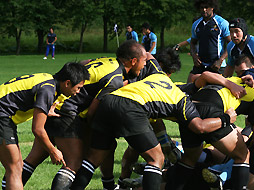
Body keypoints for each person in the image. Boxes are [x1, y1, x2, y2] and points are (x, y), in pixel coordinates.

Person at [9, 40, 162, 190]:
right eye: (143, 62)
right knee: (74, 163)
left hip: (54, 105)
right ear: (133, 61)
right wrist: (90, 130)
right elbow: (92, 111)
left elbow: (83, 62)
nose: (144, 66)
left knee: (32, 160)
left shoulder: (107, 61)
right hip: (67, 114)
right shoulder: (115, 80)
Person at [70, 70, 238, 190]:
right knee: (156, 158)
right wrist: (226, 119)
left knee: (92, 160)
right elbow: (199, 126)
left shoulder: (159, 76)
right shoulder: (183, 100)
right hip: (131, 107)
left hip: (110, 101)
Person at [0, 62, 89, 190]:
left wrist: (47, 109)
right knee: (14, 168)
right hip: (2, 116)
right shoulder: (48, 90)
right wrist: (53, 151)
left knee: (17, 167)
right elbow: (37, 129)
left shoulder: (48, 81)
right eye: (79, 87)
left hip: (5, 117)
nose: (78, 92)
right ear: (67, 83)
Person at [188, 0, 231, 82]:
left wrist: (221, 60)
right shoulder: (196, 24)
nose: (204, 10)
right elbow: (193, 42)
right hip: (201, 65)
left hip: (217, 66)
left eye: (206, 7)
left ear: (212, 7)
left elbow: (230, 43)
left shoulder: (222, 23)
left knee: (216, 92)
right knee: (189, 87)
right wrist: (194, 56)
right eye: (202, 8)